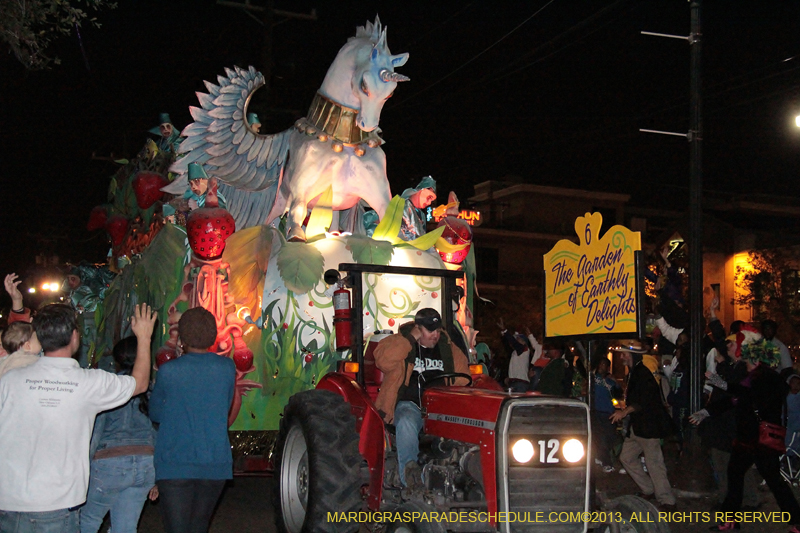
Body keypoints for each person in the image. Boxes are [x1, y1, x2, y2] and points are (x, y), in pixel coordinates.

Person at [0, 303, 155, 533]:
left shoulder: (9, 380)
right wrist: (144, 338)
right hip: (57, 505)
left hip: (8, 502)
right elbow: (140, 383)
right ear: (75, 337)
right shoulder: (89, 383)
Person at [694, 334, 800, 531]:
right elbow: (735, 400)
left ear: (756, 358)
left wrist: (722, 383)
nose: (743, 357)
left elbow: (748, 396)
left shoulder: (768, 378)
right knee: (735, 475)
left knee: (774, 481)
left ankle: (797, 520)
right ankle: (730, 520)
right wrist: (707, 411)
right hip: (748, 438)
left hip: (761, 440)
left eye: (747, 355)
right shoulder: (750, 378)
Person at [149, 306, 236, 533]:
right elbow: (225, 408)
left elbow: (155, 412)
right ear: (212, 336)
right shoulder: (227, 368)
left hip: (176, 461)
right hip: (215, 462)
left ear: (182, 337)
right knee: (198, 526)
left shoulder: (168, 371)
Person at [373, 308, 470, 487]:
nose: (435, 335)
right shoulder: (401, 342)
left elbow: (463, 376)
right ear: (418, 329)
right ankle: (410, 477)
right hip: (411, 404)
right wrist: (410, 339)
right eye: (430, 330)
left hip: (439, 408)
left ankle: (461, 475)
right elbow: (382, 360)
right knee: (406, 421)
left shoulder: (447, 348)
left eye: (438, 330)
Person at [80, 336, 158, 533]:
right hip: (145, 464)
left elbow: (96, 431)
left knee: (87, 521)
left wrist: (85, 467)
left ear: (118, 359)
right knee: (125, 527)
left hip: (109, 462)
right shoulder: (153, 389)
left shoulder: (111, 386)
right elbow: (158, 430)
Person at [610, 339, 677, 511]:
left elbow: (645, 400)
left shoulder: (642, 373)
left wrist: (624, 412)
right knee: (626, 457)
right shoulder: (633, 372)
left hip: (649, 425)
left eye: (624, 354)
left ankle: (667, 500)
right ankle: (649, 488)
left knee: (654, 462)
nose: (622, 357)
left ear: (631, 355)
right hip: (638, 426)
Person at [592, 356, 622, 473]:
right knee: (601, 438)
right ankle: (606, 462)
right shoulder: (593, 378)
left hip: (609, 413)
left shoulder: (610, 381)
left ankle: (602, 457)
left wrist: (616, 383)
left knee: (610, 438)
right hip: (596, 412)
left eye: (604, 365)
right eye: (600, 364)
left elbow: (619, 395)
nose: (601, 367)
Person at [497, 318, 530, 392]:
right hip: (514, 383)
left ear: (524, 342)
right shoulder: (515, 352)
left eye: (518, 339)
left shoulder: (524, 349)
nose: (516, 340)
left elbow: (513, 342)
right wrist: (503, 332)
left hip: (521, 384)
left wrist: (505, 330)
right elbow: (507, 344)